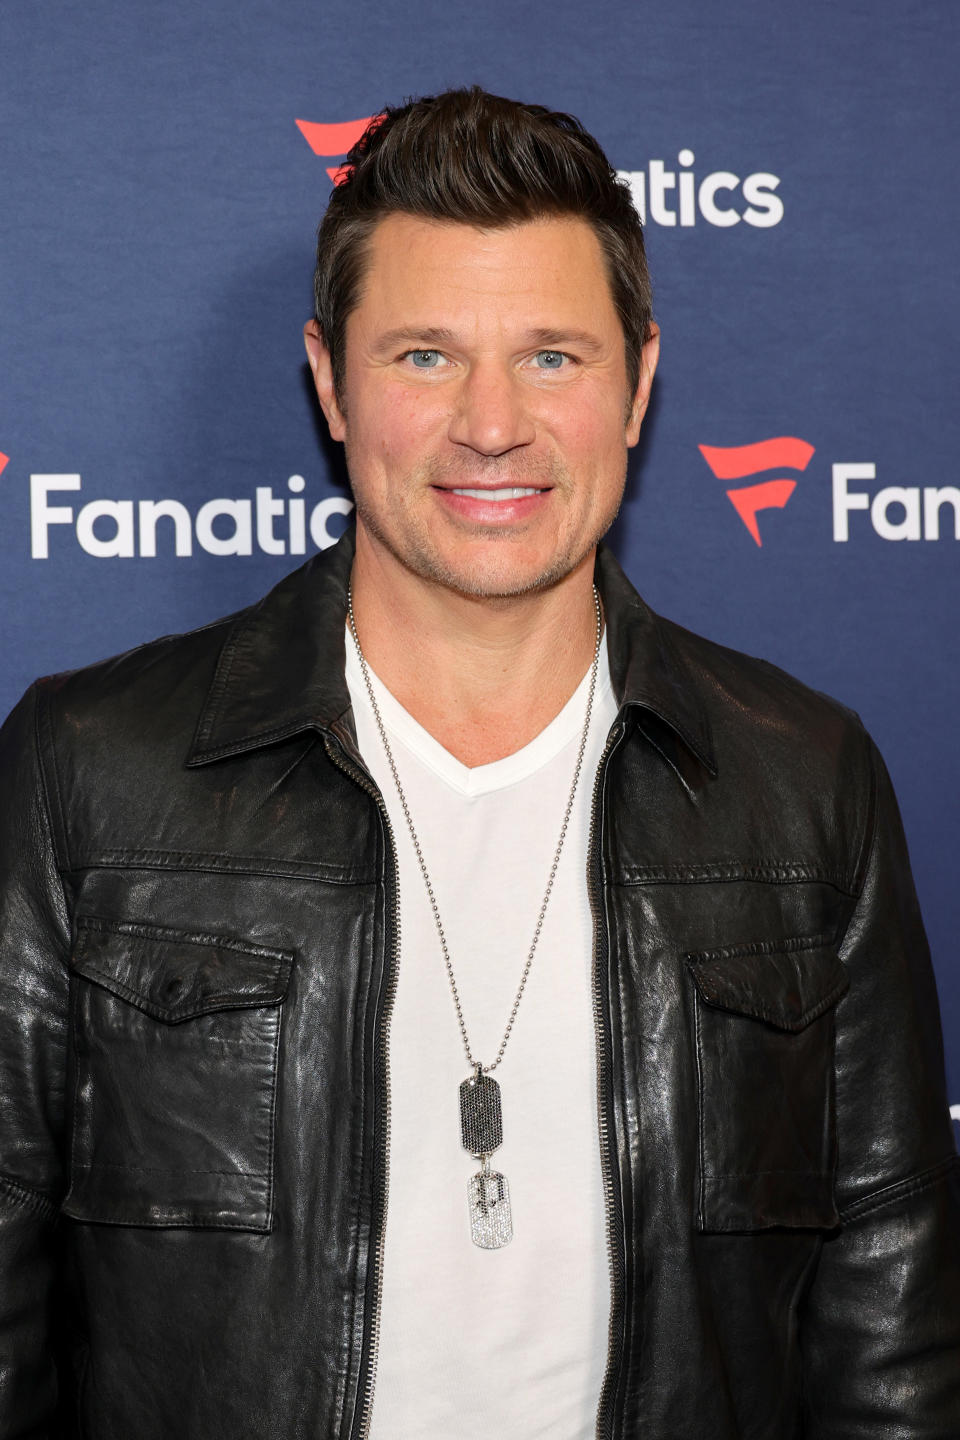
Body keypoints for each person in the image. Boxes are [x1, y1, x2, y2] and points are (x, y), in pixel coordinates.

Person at [0, 86, 957, 1440]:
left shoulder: (805, 787)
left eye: (554, 356)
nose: (492, 424)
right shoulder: (88, 774)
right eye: (426, 357)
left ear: (638, 380)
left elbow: (892, 1339)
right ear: (332, 382)